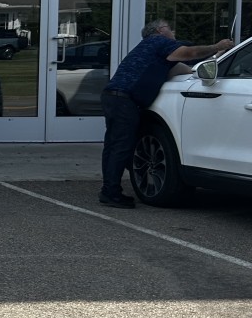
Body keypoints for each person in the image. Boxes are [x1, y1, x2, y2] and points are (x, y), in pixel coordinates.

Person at [98, 19, 234, 208]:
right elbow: (189, 53)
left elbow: (191, 70)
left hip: (114, 97)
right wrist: (216, 46)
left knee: (113, 145)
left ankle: (108, 190)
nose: (174, 32)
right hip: (124, 99)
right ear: (161, 30)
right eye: (170, 29)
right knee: (121, 145)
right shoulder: (158, 42)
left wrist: (220, 55)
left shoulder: (153, 53)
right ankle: (111, 193)